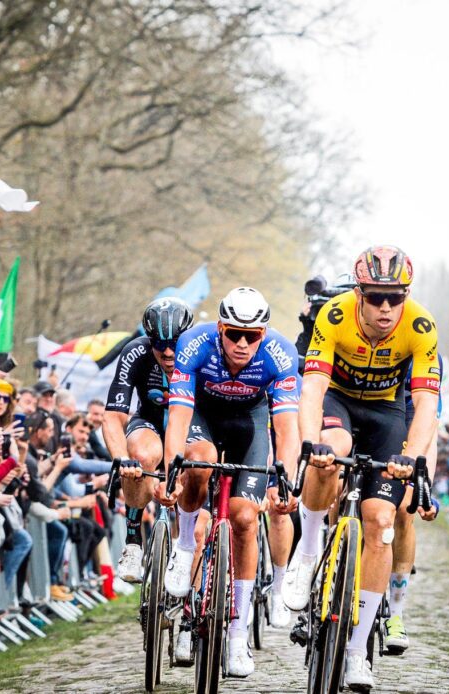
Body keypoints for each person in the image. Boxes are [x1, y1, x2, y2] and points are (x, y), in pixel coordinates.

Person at [282, 245, 440, 692]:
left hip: (387, 413)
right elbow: (311, 388)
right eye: (375, 297)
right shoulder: (333, 316)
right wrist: (311, 441)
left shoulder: (421, 325)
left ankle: (356, 651)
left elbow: (427, 402)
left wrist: (415, 455)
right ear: (360, 294)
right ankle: (309, 547)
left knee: (381, 520)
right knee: (333, 449)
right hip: (339, 400)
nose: (386, 307)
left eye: (396, 297)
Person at [155, 287, 301, 678]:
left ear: (264, 334)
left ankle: (238, 635)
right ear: (219, 328)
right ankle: (185, 545)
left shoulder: (281, 354)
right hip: (203, 415)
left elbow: (287, 429)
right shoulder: (193, 345)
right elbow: (180, 415)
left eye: (251, 336)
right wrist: (173, 468)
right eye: (233, 333)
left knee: (245, 518)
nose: (241, 343)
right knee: (198, 463)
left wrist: (285, 476)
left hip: (249, 425)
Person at [103, 297, 194, 583]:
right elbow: (112, 416)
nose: (167, 352)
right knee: (140, 455)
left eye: (174, 343)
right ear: (148, 340)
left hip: (192, 427)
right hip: (150, 422)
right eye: (159, 344)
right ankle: (133, 541)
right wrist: (122, 459)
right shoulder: (135, 352)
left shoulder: (201, 351)